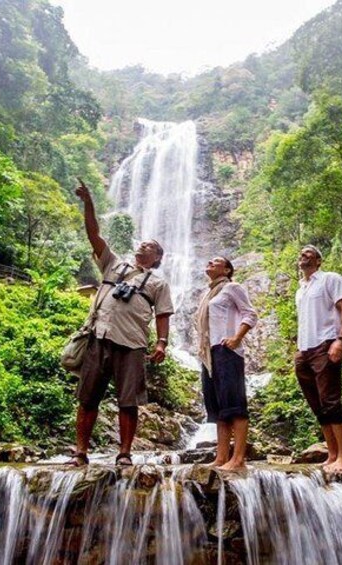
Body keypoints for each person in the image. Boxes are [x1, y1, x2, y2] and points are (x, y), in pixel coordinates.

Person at [69, 179, 173, 467]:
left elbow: (163, 315)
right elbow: (94, 234)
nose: (142, 246)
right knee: (88, 398)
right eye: (142, 244)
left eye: (149, 246)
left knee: (128, 401)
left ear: (157, 258)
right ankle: (80, 452)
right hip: (98, 337)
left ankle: (125, 453)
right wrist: (88, 202)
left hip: (132, 345)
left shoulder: (159, 283)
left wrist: (162, 343)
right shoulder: (114, 264)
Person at [294, 245, 342, 472]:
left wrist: (341, 339)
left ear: (318, 261)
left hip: (326, 344)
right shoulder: (300, 290)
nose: (304, 254)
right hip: (304, 350)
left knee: (330, 400)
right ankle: (332, 454)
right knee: (317, 404)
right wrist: (299, 350)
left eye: (310, 252)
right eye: (302, 252)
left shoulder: (330, 279)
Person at [196, 256, 258, 471]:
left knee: (235, 405)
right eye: (209, 261)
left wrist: (236, 338)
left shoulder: (232, 287)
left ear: (228, 269)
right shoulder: (208, 293)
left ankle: (238, 458)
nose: (210, 262)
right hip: (209, 353)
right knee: (219, 408)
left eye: (216, 261)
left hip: (227, 350)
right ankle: (221, 457)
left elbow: (250, 314)